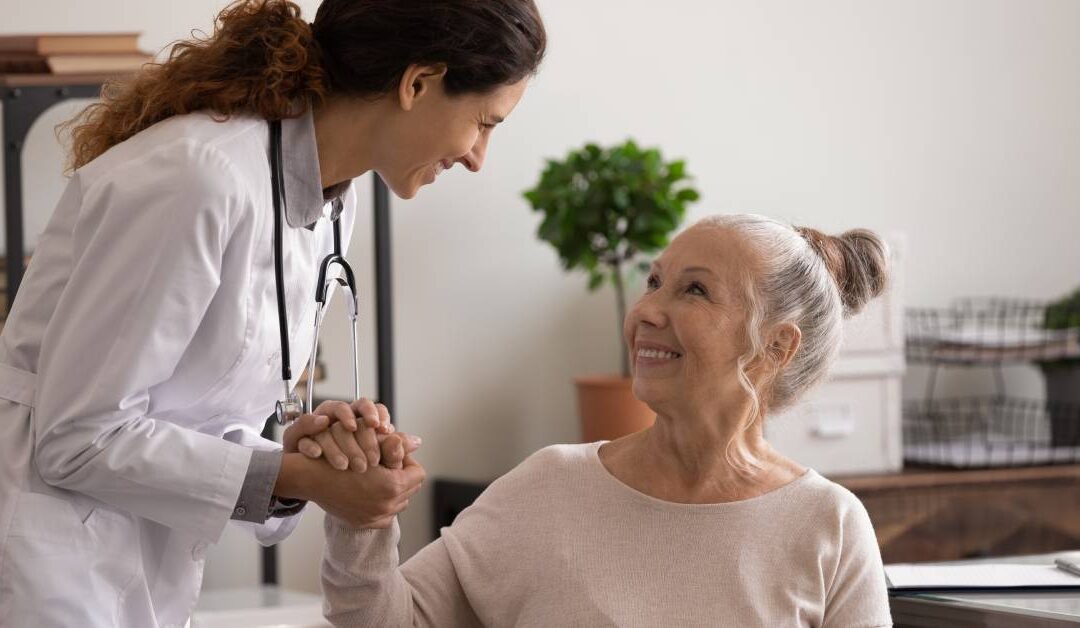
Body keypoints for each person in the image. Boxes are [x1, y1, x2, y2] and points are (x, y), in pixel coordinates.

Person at [0, 1, 546, 626]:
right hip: (44, 565)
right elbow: (76, 439)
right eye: (484, 122)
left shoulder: (333, 203)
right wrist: (296, 478)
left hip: (138, 564)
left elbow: (188, 407)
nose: (479, 157)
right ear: (416, 82)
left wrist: (300, 455)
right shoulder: (197, 179)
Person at [320, 214, 894, 627]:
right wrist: (361, 522)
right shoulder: (549, 488)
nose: (645, 311)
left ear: (775, 348)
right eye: (653, 282)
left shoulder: (829, 525)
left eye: (694, 291)